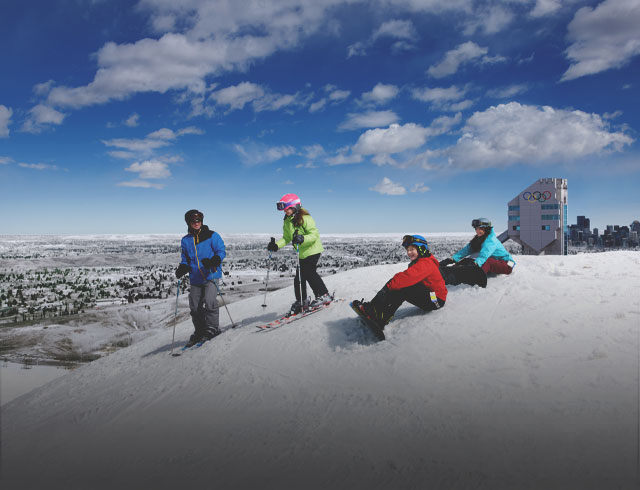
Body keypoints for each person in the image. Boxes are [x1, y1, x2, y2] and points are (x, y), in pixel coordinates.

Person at [352, 235, 447, 331]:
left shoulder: (426, 263)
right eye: (408, 250)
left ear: (421, 248)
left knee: (402, 287)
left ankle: (377, 315)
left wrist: (389, 286)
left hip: (436, 300)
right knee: (400, 286)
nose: (409, 253)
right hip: (432, 294)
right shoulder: (421, 261)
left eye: (412, 249)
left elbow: (407, 278)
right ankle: (375, 311)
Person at [267, 193, 331, 315]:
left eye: (287, 208)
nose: (285, 211)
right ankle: (302, 301)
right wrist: (276, 245)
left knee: (309, 272)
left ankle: (323, 295)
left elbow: (314, 235)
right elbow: (286, 238)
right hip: (301, 253)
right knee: (299, 278)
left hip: (312, 250)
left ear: (295, 206)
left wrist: (302, 238)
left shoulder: (305, 217)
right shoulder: (287, 221)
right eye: (283, 208)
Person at [175, 209, 226, 347]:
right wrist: (183, 267)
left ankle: (212, 327)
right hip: (195, 277)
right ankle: (200, 330)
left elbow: (221, 251)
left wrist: (215, 260)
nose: (196, 223)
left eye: (198, 220)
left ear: (202, 221)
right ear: (189, 222)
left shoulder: (211, 235)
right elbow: (185, 258)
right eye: (193, 221)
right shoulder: (186, 240)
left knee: (210, 301)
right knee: (195, 307)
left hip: (211, 274)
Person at [440, 218, 515, 276]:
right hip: (495, 261)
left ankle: (475, 276)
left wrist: (475, 264)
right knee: (467, 260)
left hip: (507, 264)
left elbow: (484, 255)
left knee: (486, 262)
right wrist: (452, 259)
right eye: (476, 228)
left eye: (479, 228)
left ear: (485, 228)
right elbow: (467, 250)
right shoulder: (479, 238)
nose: (476, 231)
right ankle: (451, 272)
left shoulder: (491, 240)